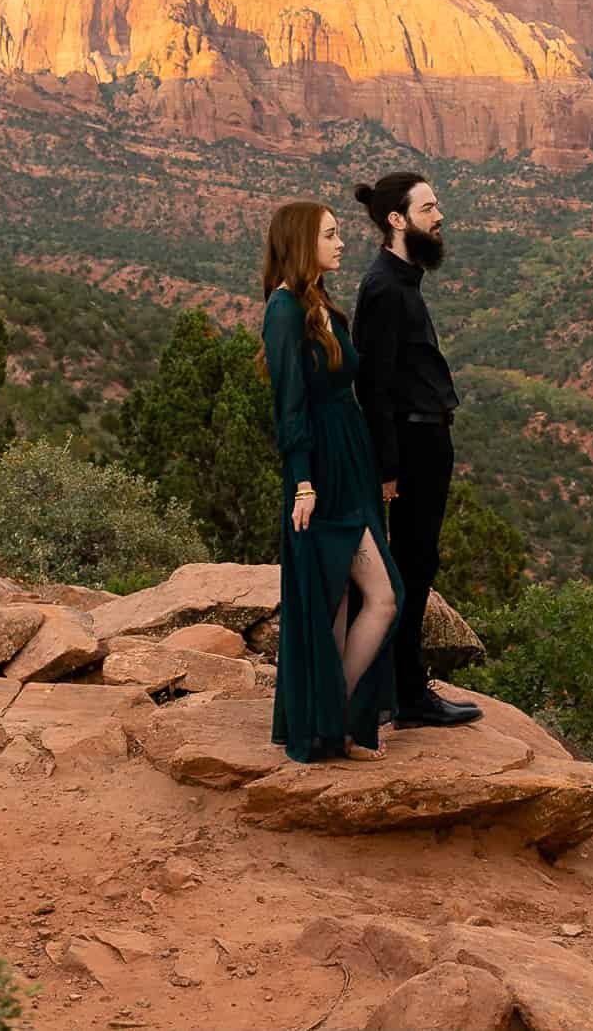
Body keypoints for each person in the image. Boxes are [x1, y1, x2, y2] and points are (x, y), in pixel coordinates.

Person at [263, 200, 403, 763]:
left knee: (347, 600)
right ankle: (332, 718)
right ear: (302, 243)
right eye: (331, 234)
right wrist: (302, 483)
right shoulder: (283, 311)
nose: (342, 242)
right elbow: (289, 406)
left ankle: (336, 729)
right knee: (383, 597)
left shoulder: (319, 304)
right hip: (321, 472)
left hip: (353, 465)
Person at [351, 173, 484, 729]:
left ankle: (398, 687)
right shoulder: (384, 287)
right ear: (396, 220)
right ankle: (406, 694)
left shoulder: (403, 280)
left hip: (424, 436)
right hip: (412, 443)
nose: (441, 216)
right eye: (429, 208)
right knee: (411, 565)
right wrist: (389, 467)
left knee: (417, 562)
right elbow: (372, 385)